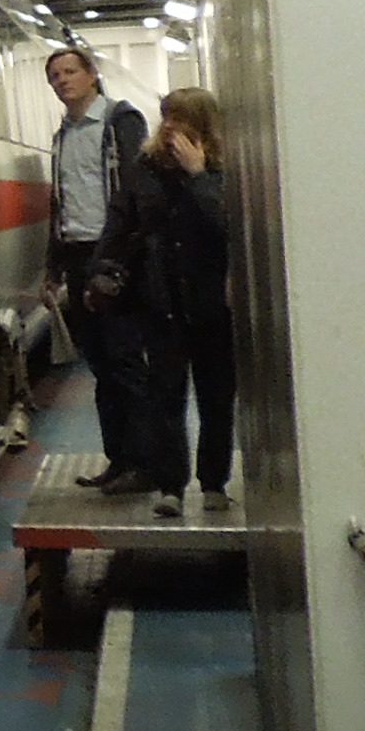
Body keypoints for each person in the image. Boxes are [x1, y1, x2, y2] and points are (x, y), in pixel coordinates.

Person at [42, 44, 162, 494]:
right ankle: (119, 459)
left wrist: (123, 257)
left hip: (112, 255)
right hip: (78, 255)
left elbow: (135, 191)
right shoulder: (63, 135)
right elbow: (59, 204)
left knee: (125, 360)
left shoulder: (120, 122)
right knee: (101, 364)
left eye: (70, 72)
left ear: (91, 74)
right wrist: (53, 268)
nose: (62, 81)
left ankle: (146, 465)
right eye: (55, 76)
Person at [129, 86, 238, 515]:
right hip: (163, 300)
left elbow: (225, 222)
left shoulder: (224, 169)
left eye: (180, 117)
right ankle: (170, 486)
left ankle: (214, 483)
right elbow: (127, 220)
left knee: (216, 397)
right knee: (165, 397)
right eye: (166, 116)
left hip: (212, 304)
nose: (170, 126)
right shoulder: (148, 167)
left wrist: (199, 176)